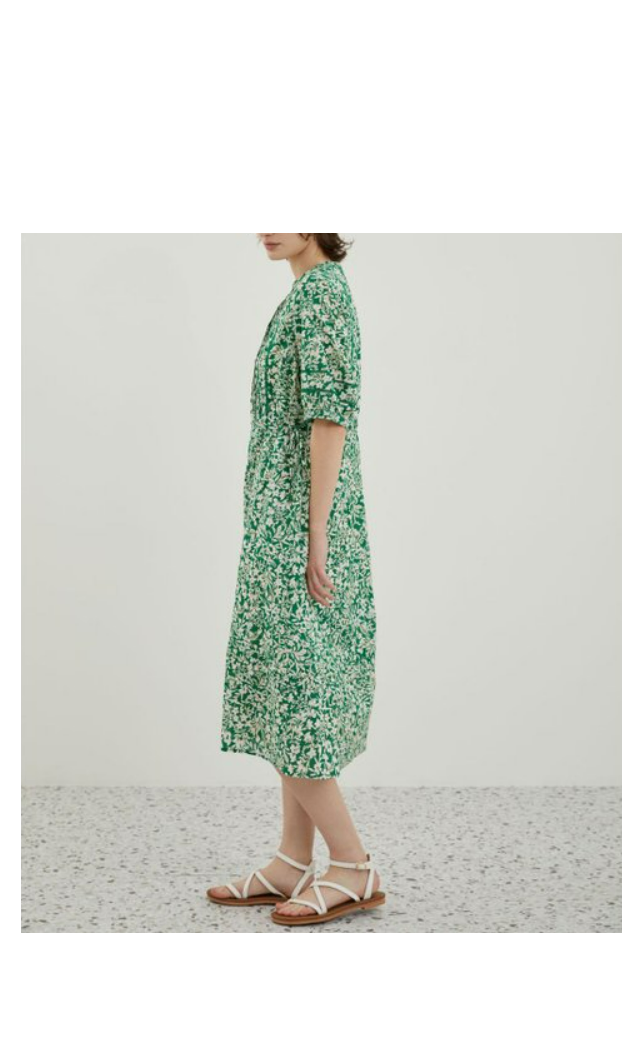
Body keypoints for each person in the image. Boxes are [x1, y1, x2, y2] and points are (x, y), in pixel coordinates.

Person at [209, 233, 385, 926]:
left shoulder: (323, 298)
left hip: (299, 526)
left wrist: (315, 533)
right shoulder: (306, 294)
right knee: (291, 694)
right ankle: (291, 858)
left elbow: (330, 418)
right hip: (281, 519)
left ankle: (353, 866)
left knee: (297, 690)